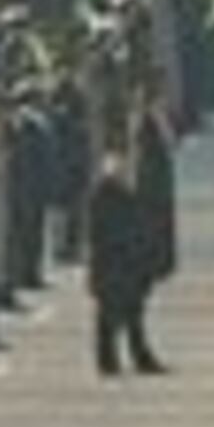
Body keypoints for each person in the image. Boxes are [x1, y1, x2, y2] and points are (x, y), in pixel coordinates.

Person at [87, 153, 165, 376]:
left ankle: (135, 357)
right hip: (112, 261)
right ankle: (109, 359)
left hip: (125, 261)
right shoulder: (105, 195)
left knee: (132, 311)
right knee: (110, 312)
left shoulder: (126, 195)